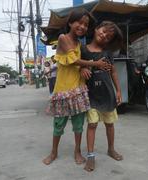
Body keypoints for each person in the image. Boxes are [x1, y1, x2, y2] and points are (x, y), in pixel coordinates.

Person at [42, 8, 111, 165]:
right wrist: (95, 63)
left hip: (78, 90)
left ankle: (78, 151)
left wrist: (84, 68)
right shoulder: (62, 38)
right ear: (71, 22)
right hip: (63, 91)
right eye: (79, 22)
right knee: (59, 125)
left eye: (86, 25)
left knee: (78, 125)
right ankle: (53, 152)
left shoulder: (80, 44)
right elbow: (73, 60)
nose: (82, 26)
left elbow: (77, 64)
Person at [80, 21, 123, 172]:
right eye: (103, 31)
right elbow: (78, 65)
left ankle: (111, 149)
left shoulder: (107, 53)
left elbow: (114, 72)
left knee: (110, 124)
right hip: (91, 96)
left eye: (108, 36)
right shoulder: (83, 50)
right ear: (97, 29)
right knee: (92, 125)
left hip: (108, 94)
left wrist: (118, 91)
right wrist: (82, 69)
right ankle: (91, 155)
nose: (104, 36)